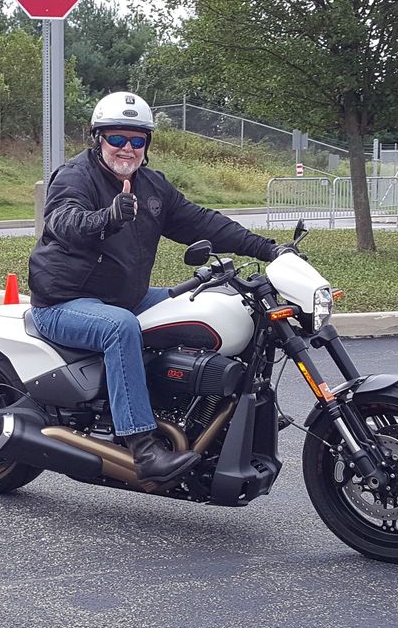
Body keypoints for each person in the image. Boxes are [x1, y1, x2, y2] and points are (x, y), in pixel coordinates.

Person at [26, 92, 281, 485]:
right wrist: (108, 217)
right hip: (63, 301)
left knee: (213, 302)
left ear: (147, 144)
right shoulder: (75, 176)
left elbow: (202, 222)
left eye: (137, 140)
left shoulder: (151, 186)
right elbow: (64, 220)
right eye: (117, 138)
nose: (127, 148)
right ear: (98, 139)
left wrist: (269, 249)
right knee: (119, 327)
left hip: (126, 297)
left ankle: (228, 410)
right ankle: (143, 448)